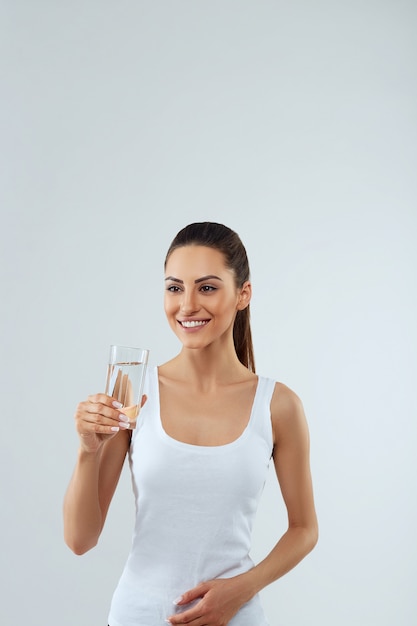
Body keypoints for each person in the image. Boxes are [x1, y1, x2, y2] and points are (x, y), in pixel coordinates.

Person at [63, 221, 318, 626]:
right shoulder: (133, 392)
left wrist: (243, 588)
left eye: (208, 287)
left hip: (236, 617)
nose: (187, 305)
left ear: (243, 294)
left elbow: (304, 528)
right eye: (175, 287)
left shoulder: (278, 405)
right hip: (137, 615)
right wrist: (86, 451)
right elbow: (80, 540)